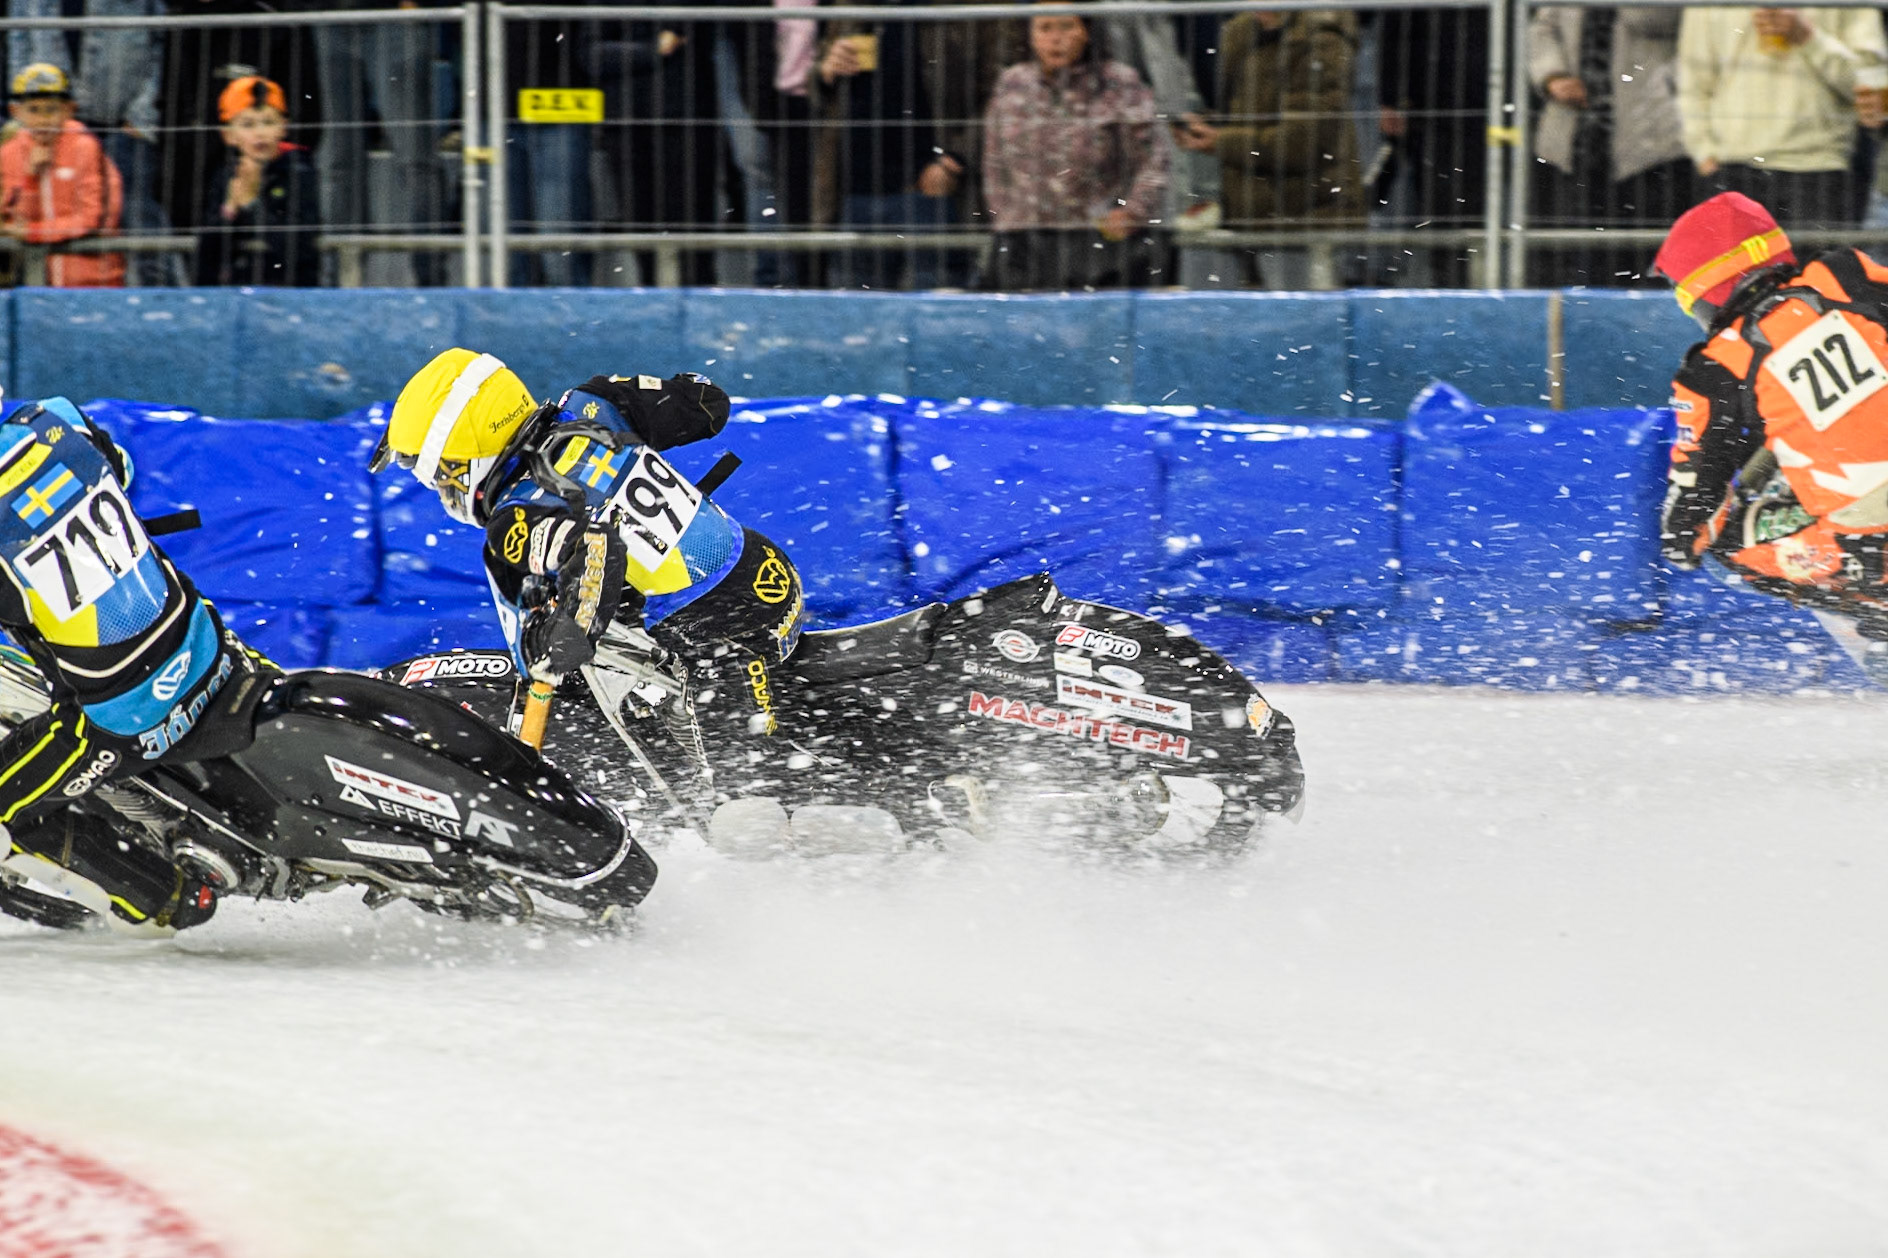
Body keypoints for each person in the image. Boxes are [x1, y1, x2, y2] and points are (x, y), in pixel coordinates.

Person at [369, 350, 807, 795]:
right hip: (766, 571)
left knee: (745, 811)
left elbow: (597, 547)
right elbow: (708, 405)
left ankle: (690, 799)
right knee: (607, 659)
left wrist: (563, 638)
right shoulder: (595, 403)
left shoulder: (517, 517)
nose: (444, 491)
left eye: (444, 477)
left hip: (720, 639)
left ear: (471, 456)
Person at [0, 396, 274, 934]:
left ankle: (169, 898)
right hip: (210, 646)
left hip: (124, 718)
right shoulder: (52, 419)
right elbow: (121, 467)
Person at [1652, 191, 1888, 639]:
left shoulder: (1713, 367)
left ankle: (1873, 600)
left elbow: (1691, 511)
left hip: (1863, 538)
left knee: (1723, 542)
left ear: (1701, 292)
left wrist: (1679, 540)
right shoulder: (1844, 273)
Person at [981, 6, 1169, 290]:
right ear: (1031, 35)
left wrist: (1134, 211)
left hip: (1098, 241)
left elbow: (1153, 156)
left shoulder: (1118, 82)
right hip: (1024, 241)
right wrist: (1004, 219)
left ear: (1086, 31)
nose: (1056, 39)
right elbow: (994, 163)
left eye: (1066, 27)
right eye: (1045, 28)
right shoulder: (1012, 83)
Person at [1172, 9, 1362, 290]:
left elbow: (1304, 142)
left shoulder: (1324, 38)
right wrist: (1205, 127)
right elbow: (1243, 117)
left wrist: (1221, 141)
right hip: (1251, 213)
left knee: (1306, 323)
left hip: (1307, 216)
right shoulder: (1238, 32)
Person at [7, 0, 179, 286]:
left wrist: (142, 114)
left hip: (123, 124)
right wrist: (28, 111)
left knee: (135, 214)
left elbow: (161, 41)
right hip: (49, 125)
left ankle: (165, 300)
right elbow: (19, 41)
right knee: (47, 205)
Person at [1677, 6, 1886, 230]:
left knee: (1818, 265)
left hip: (1819, 169)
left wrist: (1807, 37)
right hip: (1730, 169)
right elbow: (1692, 83)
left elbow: (1871, 87)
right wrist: (1705, 155)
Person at [1528, 6, 1690, 287]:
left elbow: (1654, 18)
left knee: (1640, 254)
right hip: (1570, 143)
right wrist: (1552, 76)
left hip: (1647, 144)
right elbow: (1542, 28)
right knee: (1568, 254)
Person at [0, 62, 123, 287]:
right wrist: (30, 178)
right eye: (33, 110)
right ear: (15, 112)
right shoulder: (9, 153)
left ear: (69, 110)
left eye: (51, 109)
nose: (43, 120)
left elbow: (94, 220)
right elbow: (12, 220)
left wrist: (34, 232)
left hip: (95, 280)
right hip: (35, 280)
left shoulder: (86, 147)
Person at [194, 75, 320, 286]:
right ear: (228, 135)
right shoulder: (225, 176)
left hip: (291, 293)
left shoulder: (300, 172)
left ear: (283, 127)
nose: (260, 133)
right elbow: (206, 259)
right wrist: (230, 211)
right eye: (248, 124)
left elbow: (298, 248)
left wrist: (252, 203)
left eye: (268, 122)